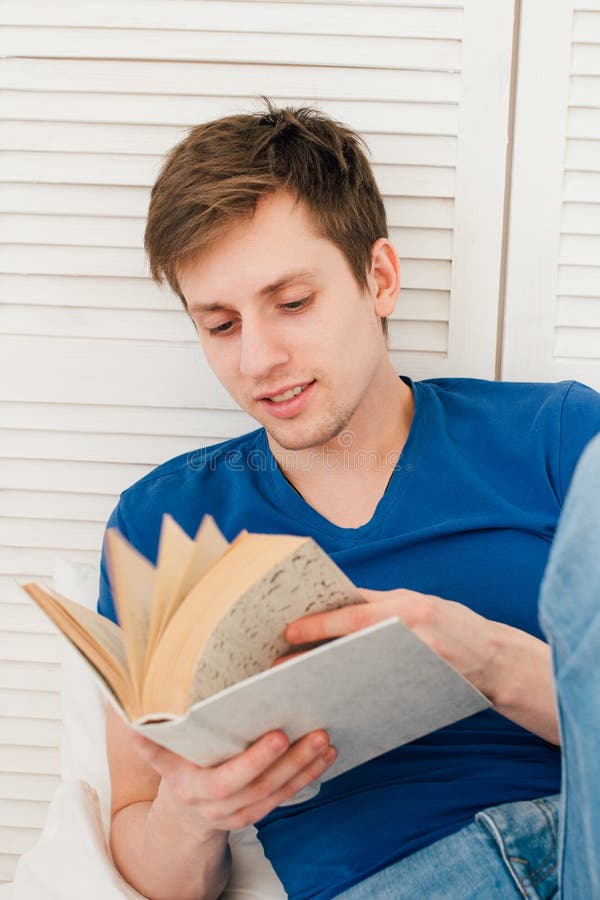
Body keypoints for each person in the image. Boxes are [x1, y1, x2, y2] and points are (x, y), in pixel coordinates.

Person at [97, 98, 600, 899]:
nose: (259, 359)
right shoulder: (162, 525)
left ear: (379, 278)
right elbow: (146, 856)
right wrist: (191, 814)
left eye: (292, 304)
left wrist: (489, 661)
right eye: (220, 325)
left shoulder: (560, 435)